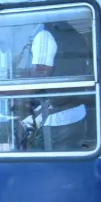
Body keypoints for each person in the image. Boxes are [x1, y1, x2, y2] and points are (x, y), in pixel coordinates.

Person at [29, 20, 91, 151]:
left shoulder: (44, 34)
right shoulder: (73, 34)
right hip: (76, 113)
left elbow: (39, 77)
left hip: (56, 119)